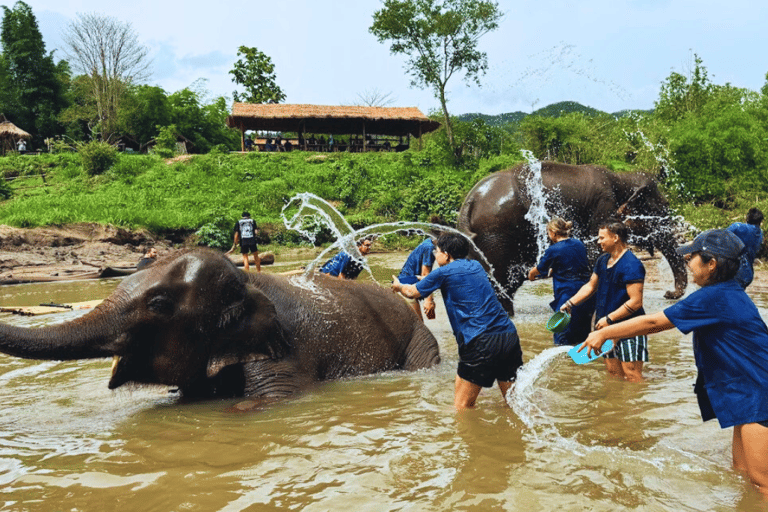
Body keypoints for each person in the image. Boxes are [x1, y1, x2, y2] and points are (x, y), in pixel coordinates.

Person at [578, 229, 768, 497]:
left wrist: (604, 332)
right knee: (740, 473)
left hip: (758, 394)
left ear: (711, 264)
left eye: (692, 257)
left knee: (762, 484)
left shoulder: (714, 296)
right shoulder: (727, 291)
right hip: (746, 394)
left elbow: (654, 322)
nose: (688, 263)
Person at [392, 233, 524, 409]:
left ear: (446, 254)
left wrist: (399, 286)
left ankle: (468, 436)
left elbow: (411, 293)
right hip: (508, 336)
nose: (435, 255)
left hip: (480, 341)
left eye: (436, 252)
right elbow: (451, 277)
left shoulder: (442, 272)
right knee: (515, 403)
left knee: (462, 409)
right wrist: (427, 280)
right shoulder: (475, 266)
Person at [561, 220, 647, 382]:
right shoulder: (602, 261)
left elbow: (636, 302)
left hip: (630, 327)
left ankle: (636, 407)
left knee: (632, 374)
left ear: (615, 238)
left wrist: (609, 319)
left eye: (602, 238)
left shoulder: (632, 265)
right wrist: (569, 303)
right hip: (605, 328)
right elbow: (591, 286)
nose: (598, 241)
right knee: (613, 373)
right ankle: (618, 407)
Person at [528, 217, 595, 346]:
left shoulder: (553, 250)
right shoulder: (579, 244)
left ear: (553, 232)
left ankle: (565, 364)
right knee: (582, 336)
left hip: (567, 295)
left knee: (561, 337)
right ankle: (581, 364)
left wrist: (530, 275)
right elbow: (574, 263)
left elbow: (538, 270)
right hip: (587, 295)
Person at [396, 237, 437, 321]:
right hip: (406, 285)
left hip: (407, 281)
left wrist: (430, 299)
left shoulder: (429, 242)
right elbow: (425, 275)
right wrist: (428, 300)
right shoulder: (430, 248)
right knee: (419, 325)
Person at [727, 207, 764, 289]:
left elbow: (720, 237)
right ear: (760, 221)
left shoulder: (738, 227)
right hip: (748, 274)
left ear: (747, 217)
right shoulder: (760, 233)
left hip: (734, 272)